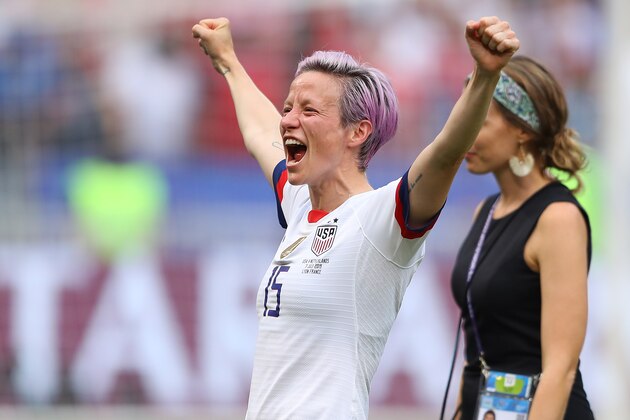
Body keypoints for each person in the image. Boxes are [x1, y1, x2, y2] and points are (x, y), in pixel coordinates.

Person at [192, 15, 519, 419]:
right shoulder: (299, 205)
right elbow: (262, 133)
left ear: (357, 132)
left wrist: (485, 76)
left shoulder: (381, 219)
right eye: (289, 106)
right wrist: (228, 61)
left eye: (309, 110)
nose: (289, 119)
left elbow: (445, 154)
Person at [450, 55, 594, 419]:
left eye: (479, 120)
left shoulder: (558, 218)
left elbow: (560, 369)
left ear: (523, 130)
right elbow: (475, 355)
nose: (464, 131)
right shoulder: (484, 212)